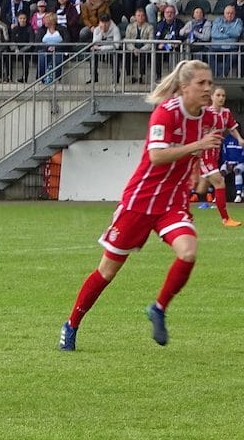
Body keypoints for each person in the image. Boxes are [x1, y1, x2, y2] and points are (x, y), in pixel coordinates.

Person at [59, 60, 225, 352]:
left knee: (188, 252)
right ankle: (71, 325)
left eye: (209, 83)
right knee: (107, 272)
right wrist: (195, 148)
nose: (208, 89)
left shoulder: (210, 118)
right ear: (185, 87)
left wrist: (199, 172)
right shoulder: (166, 113)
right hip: (140, 201)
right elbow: (157, 156)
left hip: (172, 202)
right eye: (202, 83)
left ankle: (159, 308)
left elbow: (199, 153)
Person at [192, 87, 244, 227]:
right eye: (218, 95)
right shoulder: (205, 112)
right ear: (212, 97)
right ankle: (226, 219)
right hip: (204, 153)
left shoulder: (226, 113)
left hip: (215, 154)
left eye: (223, 95)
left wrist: (239, 139)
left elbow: (232, 127)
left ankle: (176, 205)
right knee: (220, 182)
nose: (221, 98)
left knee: (200, 189)